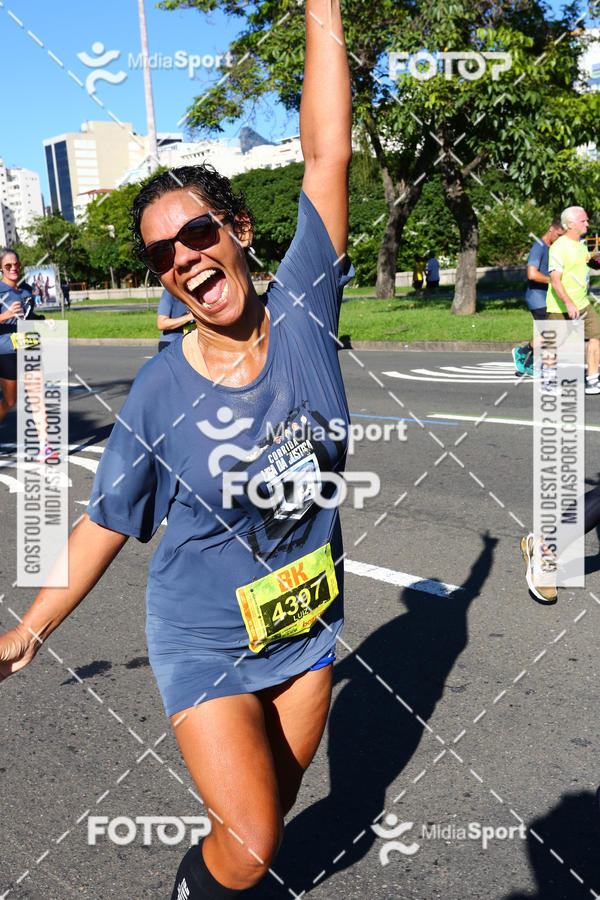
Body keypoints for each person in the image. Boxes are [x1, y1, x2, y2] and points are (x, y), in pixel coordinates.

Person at [0, 2, 352, 897]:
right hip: (204, 632)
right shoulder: (161, 389)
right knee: (252, 840)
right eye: (165, 254)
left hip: (305, 615)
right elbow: (106, 519)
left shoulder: (307, 305)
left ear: (236, 227)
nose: (187, 257)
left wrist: (322, 13)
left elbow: (325, 154)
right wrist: (30, 629)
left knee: (263, 811)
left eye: (199, 232)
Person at [0, 248, 56, 462]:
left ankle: (45, 447)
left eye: (16, 265)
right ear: (1, 268)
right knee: (10, 401)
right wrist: (5, 315)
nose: (13, 269)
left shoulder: (26, 290)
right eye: (8, 266)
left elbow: (30, 316)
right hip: (5, 351)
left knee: (37, 398)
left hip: (28, 345)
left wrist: (44, 321)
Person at [544, 206, 600, 394]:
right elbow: (555, 280)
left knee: (596, 336)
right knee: (554, 343)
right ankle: (549, 381)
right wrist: (568, 303)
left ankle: (592, 380)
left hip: (582, 302)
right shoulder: (559, 248)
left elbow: (590, 263)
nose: (587, 223)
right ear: (570, 224)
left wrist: (597, 261)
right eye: (583, 220)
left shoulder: (581, 244)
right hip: (560, 304)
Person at [512, 218, 564, 376]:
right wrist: (553, 281)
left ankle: (528, 365)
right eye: (558, 234)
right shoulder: (538, 247)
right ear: (551, 229)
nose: (560, 238)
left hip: (547, 298)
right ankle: (522, 352)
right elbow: (532, 274)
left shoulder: (553, 248)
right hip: (537, 298)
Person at [156, 286, 194, 352]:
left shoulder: (197, 292)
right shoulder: (169, 292)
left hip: (192, 342)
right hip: (171, 343)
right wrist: (189, 317)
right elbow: (161, 324)